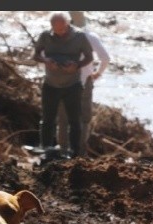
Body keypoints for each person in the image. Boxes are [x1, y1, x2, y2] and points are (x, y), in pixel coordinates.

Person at [32, 11, 93, 158]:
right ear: (51, 26)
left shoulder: (80, 36)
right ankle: (46, 148)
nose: (59, 32)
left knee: (74, 120)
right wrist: (46, 61)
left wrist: (77, 65)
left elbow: (89, 57)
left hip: (72, 85)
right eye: (56, 29)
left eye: (62, 29)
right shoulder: (45, 35)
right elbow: (36, 55)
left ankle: (75, 152)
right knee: (48, 118)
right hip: (50, 84)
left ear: (68, 24)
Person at [56, 11, 111, 157]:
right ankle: (79, 152)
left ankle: (62, 151)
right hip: (84, 82)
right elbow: (105, 58)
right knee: (83, 118)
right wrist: (98, 73)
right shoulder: (90, 37)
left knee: (63, 118)